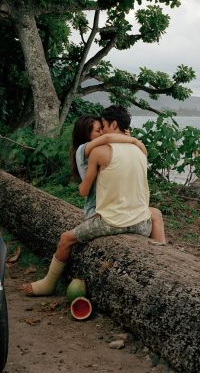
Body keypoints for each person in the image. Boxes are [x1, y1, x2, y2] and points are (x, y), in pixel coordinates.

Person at [22, 105, 161, 296]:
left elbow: (84, 190)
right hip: (142, 223)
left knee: (65, 239)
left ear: (112, 124)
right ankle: (162, 260)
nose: (102, 131)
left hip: (111, 222)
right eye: (99, 129)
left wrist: (83, 186)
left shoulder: (99, 152)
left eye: (103, 126)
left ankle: (49, 284)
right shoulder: (140, 150)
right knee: (155, 213)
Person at [70, 116, 166, 244]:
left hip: (113, 206)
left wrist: (128, 141)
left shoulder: (103, 150)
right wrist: (133, 140)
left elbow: (141, 156)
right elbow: (107, 138)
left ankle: (160, 252)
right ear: (85, 134)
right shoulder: (83, 149)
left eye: (102, 129)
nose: (102, 133)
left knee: (155, 214)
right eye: (98, 130)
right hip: (98, 209)